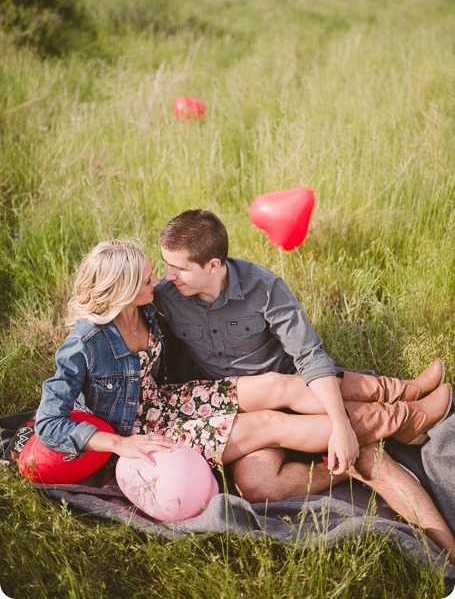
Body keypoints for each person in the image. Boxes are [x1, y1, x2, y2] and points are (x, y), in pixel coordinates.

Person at [34, 239, 455, 561]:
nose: (158, 281)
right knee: (273, 422)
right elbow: (48, 423)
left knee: (278, 385)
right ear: (123, 290)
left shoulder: (147, 309)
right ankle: (401, 420)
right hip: (151, 429)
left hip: (172, 399)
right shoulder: (84, 344)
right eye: (147, 278)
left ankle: (404, 399)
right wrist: (121, 445)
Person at [154, 211, 454, 510]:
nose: (168, 275)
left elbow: (309, 354)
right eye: (167, 265)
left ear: (213, 265)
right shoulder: (166, 296)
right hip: (236, 406)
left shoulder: (263, 287)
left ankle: (404, 402)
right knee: (256, 487)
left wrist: (338, 424)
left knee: (316, 391)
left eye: (179, 268)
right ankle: (354, 455)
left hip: (286, 384)